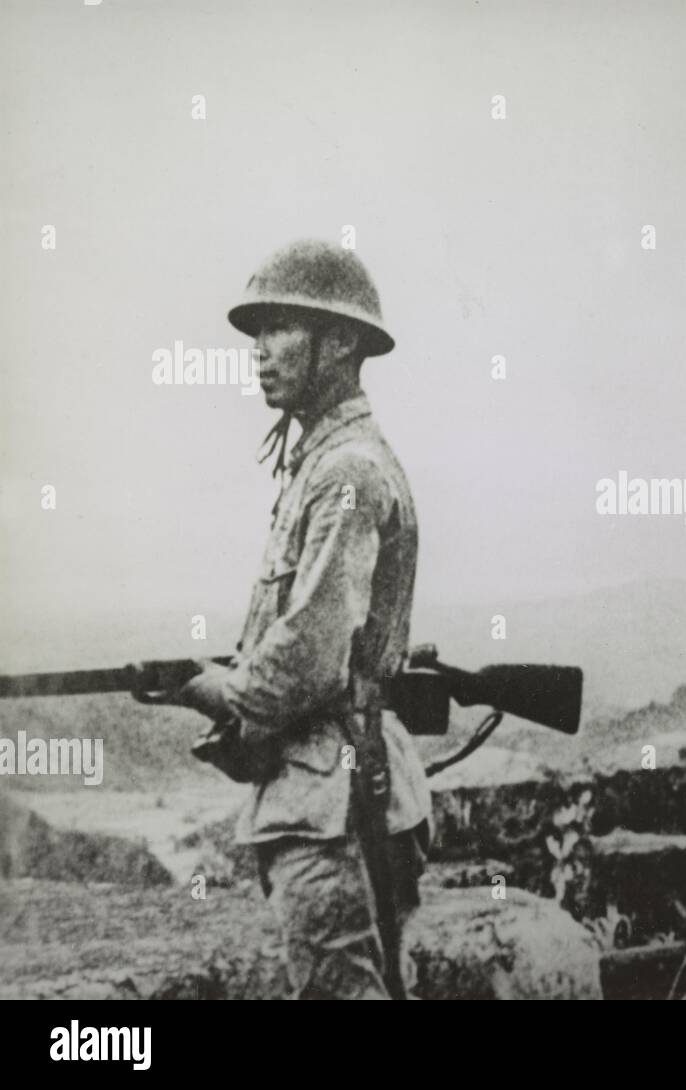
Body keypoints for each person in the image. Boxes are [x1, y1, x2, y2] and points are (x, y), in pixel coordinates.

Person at [177, 239, 431, 999]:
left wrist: (220, 691)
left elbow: (313, 652)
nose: (260, 352)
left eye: (282, 327)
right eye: (257, 333)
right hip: (343, 793)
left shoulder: (346, 469)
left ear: (343, 340)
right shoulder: (325, 463)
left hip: (334, 807)